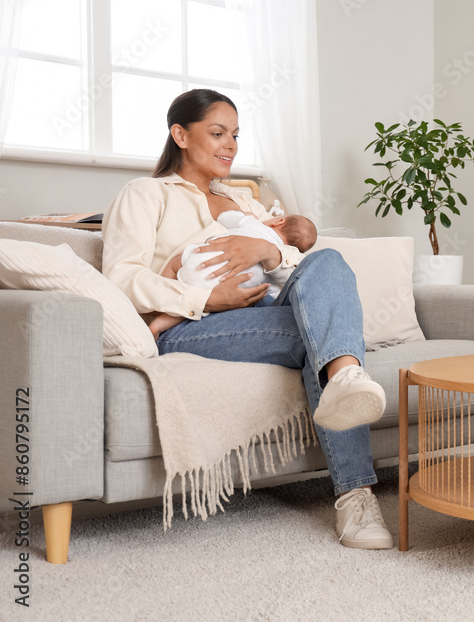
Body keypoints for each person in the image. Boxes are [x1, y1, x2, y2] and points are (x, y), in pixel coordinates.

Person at [102, 89, 393, 550]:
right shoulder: (145, 194)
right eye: (217, 133)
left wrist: (269, 249)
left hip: (269, 304)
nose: (230, 145)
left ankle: (344, 377)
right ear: (180, 134)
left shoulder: (247, 204)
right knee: (320, 337)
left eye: (235, 135)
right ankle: (355, 493)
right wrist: (205, 296)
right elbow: (120, 279)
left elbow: (299, 266)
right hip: (191, 325)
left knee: (330, 260)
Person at [147, 212, 317, 338]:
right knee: (200, 303)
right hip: (218, 289)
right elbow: (274, 295)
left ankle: (161, 297)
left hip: (200, 260)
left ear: (279, 220)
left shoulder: (253, 223)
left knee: (175, 263)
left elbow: (224, 217)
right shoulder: (278, 264)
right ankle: (157, 326)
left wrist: (246, 216)